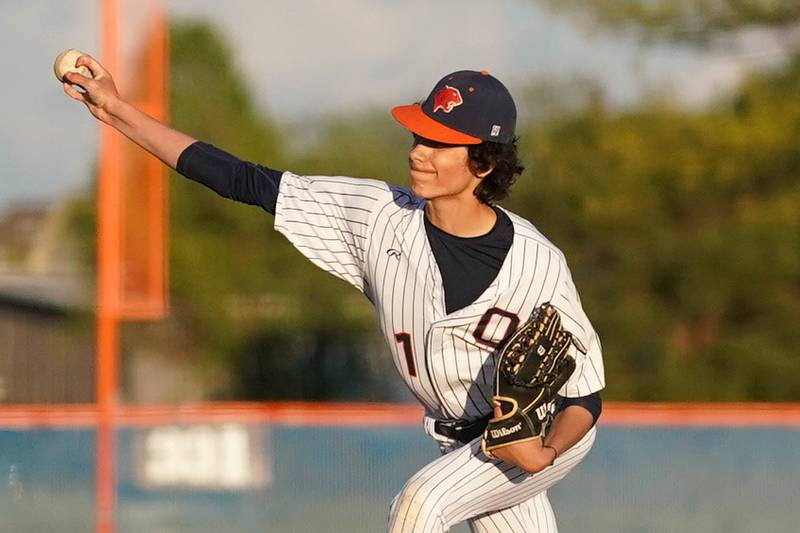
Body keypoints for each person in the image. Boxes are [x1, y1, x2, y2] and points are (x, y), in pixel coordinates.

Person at [63, 56, 605, 532]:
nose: (419, 152)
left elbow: (585, 397)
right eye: (419, 136)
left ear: (484, 163)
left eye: (441, 144)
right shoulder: (378, 220)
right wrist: (116, 111)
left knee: (421, 504)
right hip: (461, 444)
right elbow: (245, 181)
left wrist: (546, 452)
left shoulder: (537, 263)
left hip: (538, 437)